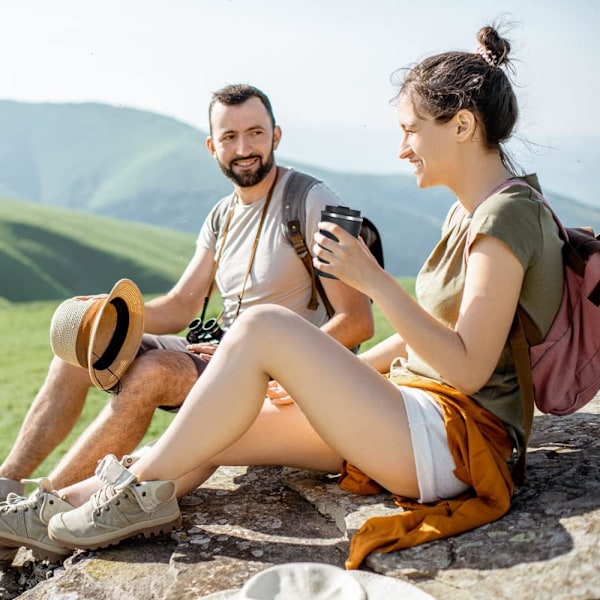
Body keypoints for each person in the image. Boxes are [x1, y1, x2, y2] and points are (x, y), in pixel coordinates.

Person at [0, 25, 565, 570]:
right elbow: (418, 341)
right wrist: (315, 377)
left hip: (454, 440)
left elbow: (465, 367)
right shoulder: (468, 212)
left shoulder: (505, 215)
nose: (401, 148)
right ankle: (55, 508)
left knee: (261, 327)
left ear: (462, 125)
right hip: (411, 413)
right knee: (213, 430)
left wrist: (374, 283)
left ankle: (133, 495)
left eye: (411, 130)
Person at [0, 84, 373, 498]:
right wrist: (107, 313)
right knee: (79, 354)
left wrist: (283, 366)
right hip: (222, 363)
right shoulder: (223, 214)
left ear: (276, 136)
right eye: (230, 137)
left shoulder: (314, 200)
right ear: (213, 146)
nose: (244, 147)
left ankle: (43, 505)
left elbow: (357, 321)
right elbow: (181, 304)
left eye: (255, 133)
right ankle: (6, 482)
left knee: (153, 372)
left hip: (280, 382)